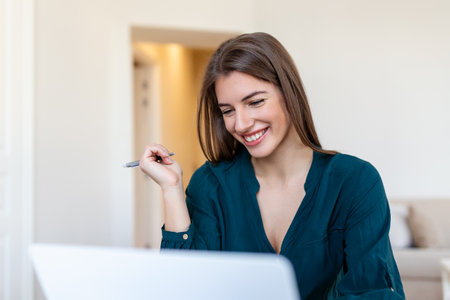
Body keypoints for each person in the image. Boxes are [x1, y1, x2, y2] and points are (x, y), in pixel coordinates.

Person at [138, 32, 405, 299]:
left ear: (289, 93)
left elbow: (371, 290)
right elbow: (184, 289)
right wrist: (171, 190)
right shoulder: (210, 185)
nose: (240, 124)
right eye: (228, 110)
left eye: (255, 102)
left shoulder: (354, 181)